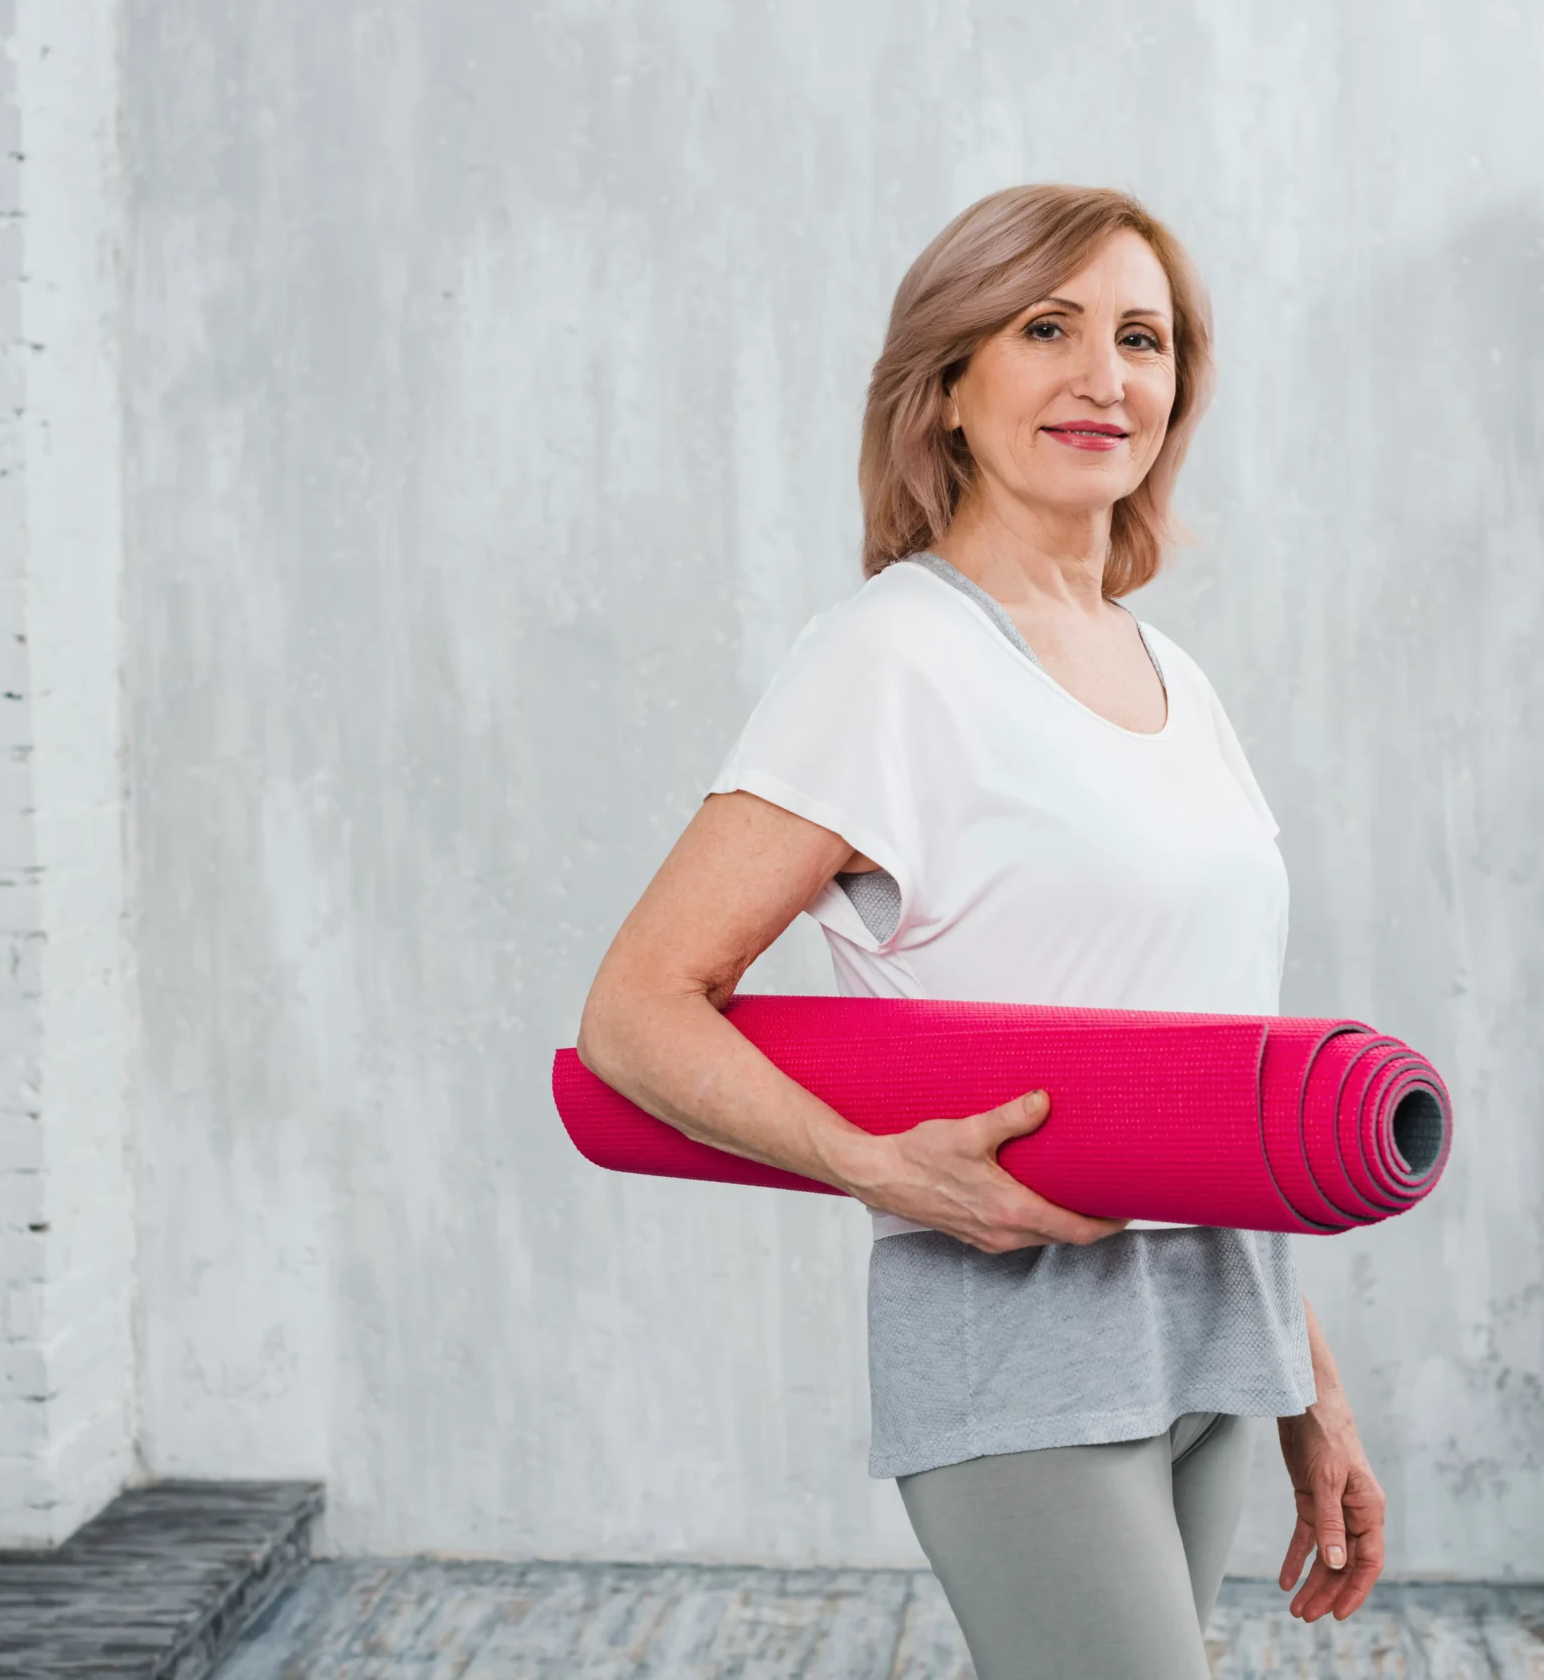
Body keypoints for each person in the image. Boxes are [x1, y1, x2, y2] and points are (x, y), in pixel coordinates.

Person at [574, 185, 1385, 1680]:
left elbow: (1211, 1047)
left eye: (1141, 338)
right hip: (1021, 1311)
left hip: (1221, 1305)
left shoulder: (1173, 676)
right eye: (1047, 329)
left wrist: (1308, 1386)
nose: (1104, 376)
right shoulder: (890, 657)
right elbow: (636, 1008)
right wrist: (880, 1168)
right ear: (949, 387)